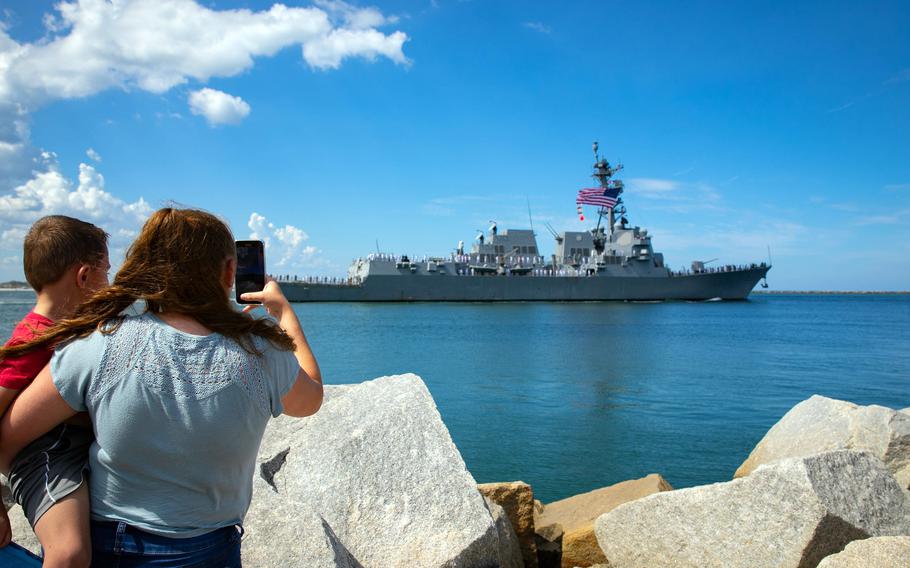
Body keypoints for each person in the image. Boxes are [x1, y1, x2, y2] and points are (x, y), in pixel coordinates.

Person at [0, 208, 323, 567]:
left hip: (112, 547)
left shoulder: (97, 344)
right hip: (212, 549)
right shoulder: (263, 353)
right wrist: (285, 316)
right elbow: (310, 400)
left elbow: (12, 431)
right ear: (229, 272)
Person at [0, 215, 110, 567]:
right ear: (83, 277)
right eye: (106, 272)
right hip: (47, 454)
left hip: (75, 451)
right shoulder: (32, 341)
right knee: (69, 552)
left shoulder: (74, 332)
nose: (110, 282)